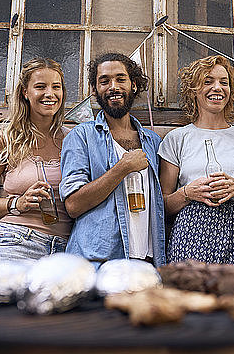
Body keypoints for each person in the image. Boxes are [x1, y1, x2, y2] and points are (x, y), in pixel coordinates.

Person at [158, 55, 234, 264]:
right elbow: (162, 206)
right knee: (192, 294)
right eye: (208, 81)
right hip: (191, 232)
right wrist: (188, 192)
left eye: (224, 82)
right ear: (193, 90)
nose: (217, 88)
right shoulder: (177, 139)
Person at [59, 52, 165, 268]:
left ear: (134, 85)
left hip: (147, 261)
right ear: (95, 90)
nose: (113, 86)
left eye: (120, 79)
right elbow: (73, 205)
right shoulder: (81, 136)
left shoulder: (153, 142)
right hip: (98, 261)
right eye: (104, 81)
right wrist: (122, 168)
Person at [0, 58, 73, 261]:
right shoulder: (5, 138)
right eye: (40, 87)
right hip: (17, 242)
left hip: (67, 250)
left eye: (56, 87)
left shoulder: (74, 140)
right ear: (25, 92)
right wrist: (16, 203)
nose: (49, 94)